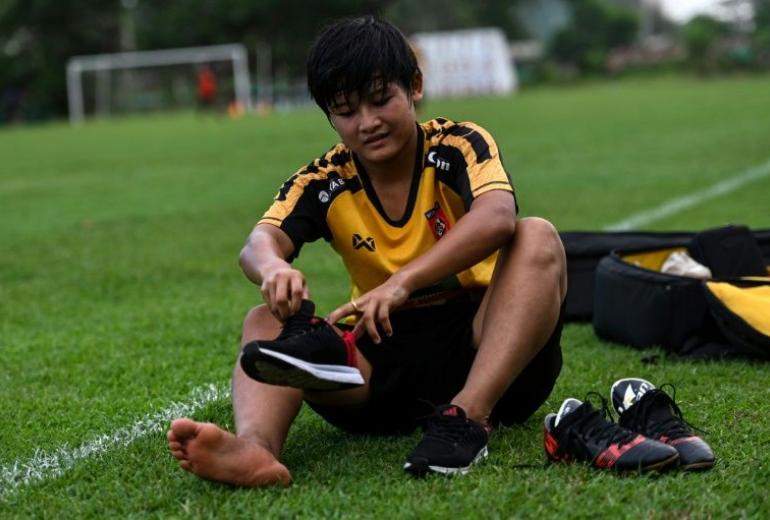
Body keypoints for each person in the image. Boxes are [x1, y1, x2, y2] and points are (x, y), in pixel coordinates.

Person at [167, 15, 567, 486]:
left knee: (537, 235)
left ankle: (467, 417)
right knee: (263, 321)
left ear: (414, 86)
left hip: (490, 356)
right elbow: (258, 242)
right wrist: (273, 267)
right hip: (379, 377)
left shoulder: (459, 143)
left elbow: (497, 216)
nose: (368, 123)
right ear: (329, 116)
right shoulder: (325, 180)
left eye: (381, 100)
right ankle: (256, 449)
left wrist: (402, 283)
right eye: (346, 111)